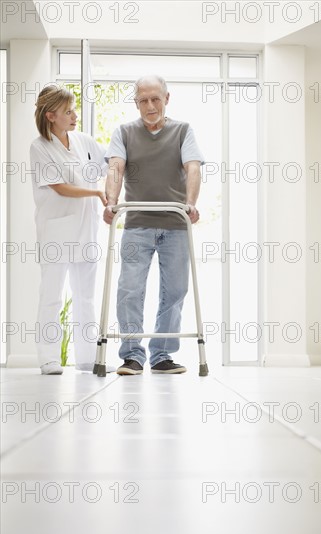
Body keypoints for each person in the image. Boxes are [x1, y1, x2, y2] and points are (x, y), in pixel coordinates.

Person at [104, 75, 204, 375]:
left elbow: (193, 168)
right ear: (136, 103)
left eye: (155, 99)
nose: (150, 105)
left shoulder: (183, 131)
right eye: (143, 100)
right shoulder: (123, 132)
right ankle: (133, 355)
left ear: (166, 98)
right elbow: (114, 169)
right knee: (129, 289)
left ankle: (161, 355)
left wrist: (190, 203)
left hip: (175, 223)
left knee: (175, 291)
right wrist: (111, 201)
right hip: (137, 222)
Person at [30, 85, 107, 375]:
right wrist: (96, 194)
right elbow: (60, 187)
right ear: (51, 116)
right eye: (68, 111)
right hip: (56, 232)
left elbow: (109, 163)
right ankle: (48, 358)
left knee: (85, 295)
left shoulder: (84, 141)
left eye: (74, 110)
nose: (75, 115)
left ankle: (87, 358)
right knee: (51, 294)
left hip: (86, 229)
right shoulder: (39, 146)